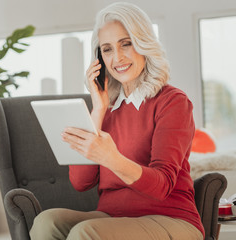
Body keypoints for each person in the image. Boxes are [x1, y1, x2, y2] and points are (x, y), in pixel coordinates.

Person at [30, 2, 204, 240]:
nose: (117, 57)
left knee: (85, 232)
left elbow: (162, 185)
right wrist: (98, 110)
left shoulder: (172, 102)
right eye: (107, 49)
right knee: (45, 222)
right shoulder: (106, 109)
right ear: (99, 58)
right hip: (112, 218)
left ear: (143, 44)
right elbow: (81, 182)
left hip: (170, 219)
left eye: (126, 44)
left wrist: (111, 158)